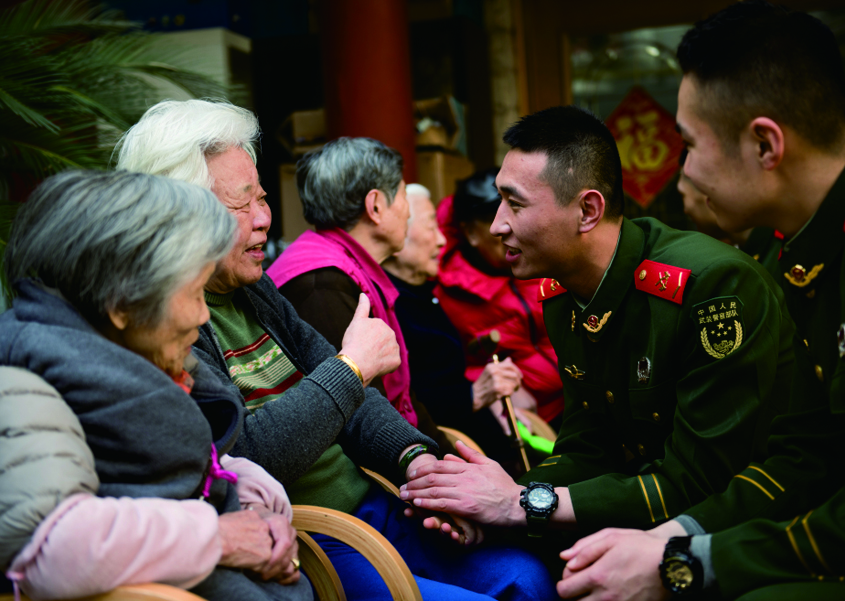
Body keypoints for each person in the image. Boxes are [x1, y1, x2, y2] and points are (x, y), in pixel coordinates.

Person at [115, 99, 558, 601]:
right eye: (242, 205)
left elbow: (356, 397)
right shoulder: (171, 323)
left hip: (376, 501)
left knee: (528, 577)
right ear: (180, 215)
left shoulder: (255, 290)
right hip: (315, 535)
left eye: (262, 198)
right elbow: (243, 454)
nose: (264, 219)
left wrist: (417, 463)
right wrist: (352, 368)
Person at [554, 3, 845, 600]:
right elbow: (805, 455)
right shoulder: (803, 250)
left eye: (689, 144)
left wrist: (683, 565)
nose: (685, 169)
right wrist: (670, 538)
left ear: (765, 144)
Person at [399, 105, 795, 560]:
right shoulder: (563, 291)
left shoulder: (712, 287)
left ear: (587, 210)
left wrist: (520, 504)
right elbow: (589, 444)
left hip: (741, 537)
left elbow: (700, 479)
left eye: (515, 204)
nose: (496, 225)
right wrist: (489, 505)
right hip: (643, 517)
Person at [0, 171, 310, 601]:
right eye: (194, 293)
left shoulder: (133, 355)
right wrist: (218, 536)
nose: (203, 316)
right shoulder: (23, 387)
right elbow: (53, 548)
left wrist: (255, 511)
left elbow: (186, 469)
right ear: (121, 303)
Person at [266, 137, 461, 456]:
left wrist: (451, 456)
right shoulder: (321, 284)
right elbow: (360, 414)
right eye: (402, 195)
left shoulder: (340, 268)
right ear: (375, 206)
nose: (406, 211)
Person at [381, 183, 525, 468]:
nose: (440, 241)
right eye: (430, 227)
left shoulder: (423, 293)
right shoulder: (391, 308)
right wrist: (474, 394)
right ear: (396, 237)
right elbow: (404, 400)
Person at [435, 169, 565, 428]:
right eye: (493, 218)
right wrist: (499, 391)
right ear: (470, 232)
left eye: (516, 212)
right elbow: (455, 370)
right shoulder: (446, 295)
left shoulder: (547, 258)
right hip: (530, 424)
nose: (509, 227)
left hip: (584, 402)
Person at [677, 151, 781, 278]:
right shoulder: (745, 255)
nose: (685, 211)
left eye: (682, 196)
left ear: (705, 189)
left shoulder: (780, 252)